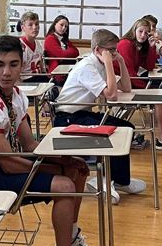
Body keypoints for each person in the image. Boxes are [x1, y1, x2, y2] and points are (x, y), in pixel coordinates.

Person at [0, 36, 100, 246]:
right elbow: (8, 165)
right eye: (0, 64)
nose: (6, 72)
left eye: (13, 64)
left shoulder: (16, 95)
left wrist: (66, 160)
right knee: (65, 185)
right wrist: (55, 168)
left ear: (22, 65)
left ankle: (71, 243)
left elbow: (30, 144)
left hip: (4, 164)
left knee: (78, 170)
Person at [54, 29, 147, 203]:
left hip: (82, 113)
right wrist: (109, 63)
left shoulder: (102, 62)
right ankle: (102, 180)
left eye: (116, 50)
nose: (114, 53)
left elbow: (126, 88)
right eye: (111, 50)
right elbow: (111, 95)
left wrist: (120, 61)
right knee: (113, 133)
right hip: (67, 117)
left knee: (127, 128)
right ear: (98, 50)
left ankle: (120, 180)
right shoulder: (88, 66)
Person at [117, 18, 162, 152]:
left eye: (147, 33)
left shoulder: (139, 46)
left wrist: (151, 48)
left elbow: (149, 66)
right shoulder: (125, 44)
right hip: (122, 86)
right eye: (140, 31)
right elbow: (129, 74)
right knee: (158, 97)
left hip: (131, 81)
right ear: (134, 30)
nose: (143, 35)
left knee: (159, 97)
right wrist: (147, 89)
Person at [43, 15, 80, 83]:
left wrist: (68, 52)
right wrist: (70, 51)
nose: (63, 28)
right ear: (55, 24)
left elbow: (77, 52)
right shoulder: (50, 39)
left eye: (66, 27)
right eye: (61, 25)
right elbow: (62, 55)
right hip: (56, 73)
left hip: (64, 70)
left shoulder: (63, 39)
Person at [19, 11, 46, 79]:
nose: (34, 27)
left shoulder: (38, 44)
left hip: (38, 76)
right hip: (26, 79)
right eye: (30, 25)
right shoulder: (19, 46)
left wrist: (44, 74)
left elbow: (40, 64)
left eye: (36, 24)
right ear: (23, 28)